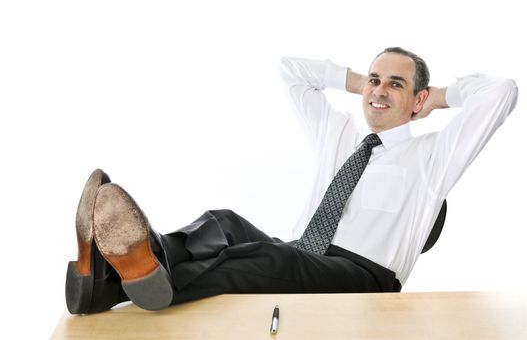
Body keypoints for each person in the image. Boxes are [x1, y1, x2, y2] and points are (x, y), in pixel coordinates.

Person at [65, 47, 518, 314]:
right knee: (224, 223)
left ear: (416, 98)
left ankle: (137, 282)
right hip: (304, 255)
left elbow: (501, 92)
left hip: (365, 279)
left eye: (395, 85)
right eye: (375, 80)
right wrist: (364, 82)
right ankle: (130, 269)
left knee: (271, 257)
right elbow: (292, 72)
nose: (379, 90)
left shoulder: (434, 157)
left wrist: (435, 97)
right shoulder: (339, 136)